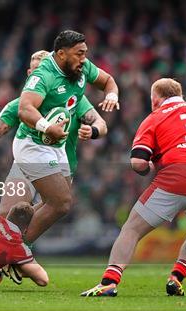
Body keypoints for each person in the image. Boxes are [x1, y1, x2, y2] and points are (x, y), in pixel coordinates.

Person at [80, 78, 186, 297]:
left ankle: (109, 282)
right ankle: (176, 278)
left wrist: (148, 168)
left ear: (155, 99)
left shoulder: (154, 118)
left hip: (174, 180)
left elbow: (138, 163)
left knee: (131, 229)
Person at [0, 50, 107, 287]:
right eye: (37, 70)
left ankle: (11, 255)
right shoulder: (20, 105)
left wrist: (94, 131)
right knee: (5, 216)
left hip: (62, 167)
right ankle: (0, 258)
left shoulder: (74, 97)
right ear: (31, 74)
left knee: (52, 207)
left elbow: (100, 122)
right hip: (27, 164)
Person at [15, 30, 119, 245]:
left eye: (85, 53)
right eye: (79, 54)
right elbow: (25, 109)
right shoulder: (43, 75)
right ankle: (17, 249)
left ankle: (8, 237)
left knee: (50, 205)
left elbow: (108, 81)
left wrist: (111, 95)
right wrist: (47, 127)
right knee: (61, 203)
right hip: (33, 144)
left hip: (58, 149)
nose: (84, 59)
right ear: (61, 54)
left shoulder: (82, 68)